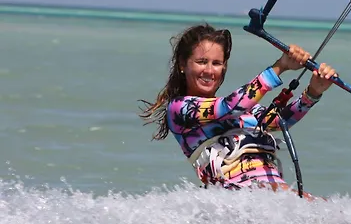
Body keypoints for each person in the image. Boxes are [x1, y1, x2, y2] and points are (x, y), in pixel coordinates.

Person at [139, 24, 337, 191]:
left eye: (217, 63)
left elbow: (278, 122)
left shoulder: (242, 111)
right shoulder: (180, 109)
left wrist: (313, 92)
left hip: (277, 196)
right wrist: (280, 66)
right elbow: (231, 106)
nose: (209, 70)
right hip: (240, 200)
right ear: (183, 64)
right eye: (201, 62)